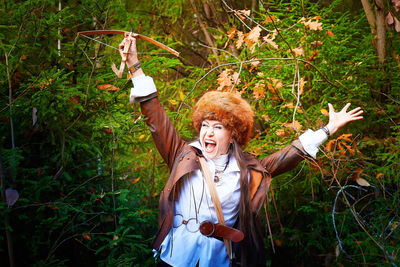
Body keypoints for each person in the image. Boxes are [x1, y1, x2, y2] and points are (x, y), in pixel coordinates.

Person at [119, 36, 363, 267]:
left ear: (233, 133)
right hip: (174, 257)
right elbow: (156, 116)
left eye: (217, 127)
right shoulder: (183, 155)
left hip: (218, 259)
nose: (208, 133)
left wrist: (329, 129)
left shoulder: (247, 169)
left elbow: (290, 154)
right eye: (204, 126)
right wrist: (135, 66)